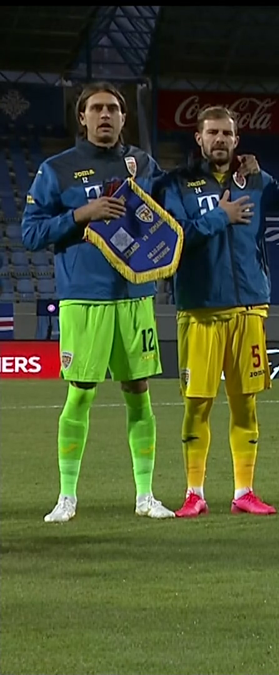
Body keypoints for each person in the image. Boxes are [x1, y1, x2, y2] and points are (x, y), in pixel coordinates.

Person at [23, 82, 174, 522]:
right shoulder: (58, 168)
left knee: (139, 392)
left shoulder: (142, 164)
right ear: (82, 118)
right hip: (83, 297)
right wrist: (80, 216)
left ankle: (145, 496)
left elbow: (166, 216)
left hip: (135, 294)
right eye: (96, 109)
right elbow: (31, 233)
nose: (105, 115)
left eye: (113, 109)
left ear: (124, 119)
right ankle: (66, 497)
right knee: (81, 394)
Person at [159, 105, 279, 517]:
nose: (219, 140)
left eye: (226, 133)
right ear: (199, 138)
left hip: (249, 306)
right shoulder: (177, 184)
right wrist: (219, 216)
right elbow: (173, 237)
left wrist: (263, 172)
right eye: (212, 132)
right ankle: (194, 493)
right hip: (200, 308)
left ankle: (244, 492)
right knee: (199, 404)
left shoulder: (256, 181)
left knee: (246, 403)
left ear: (236, 139)